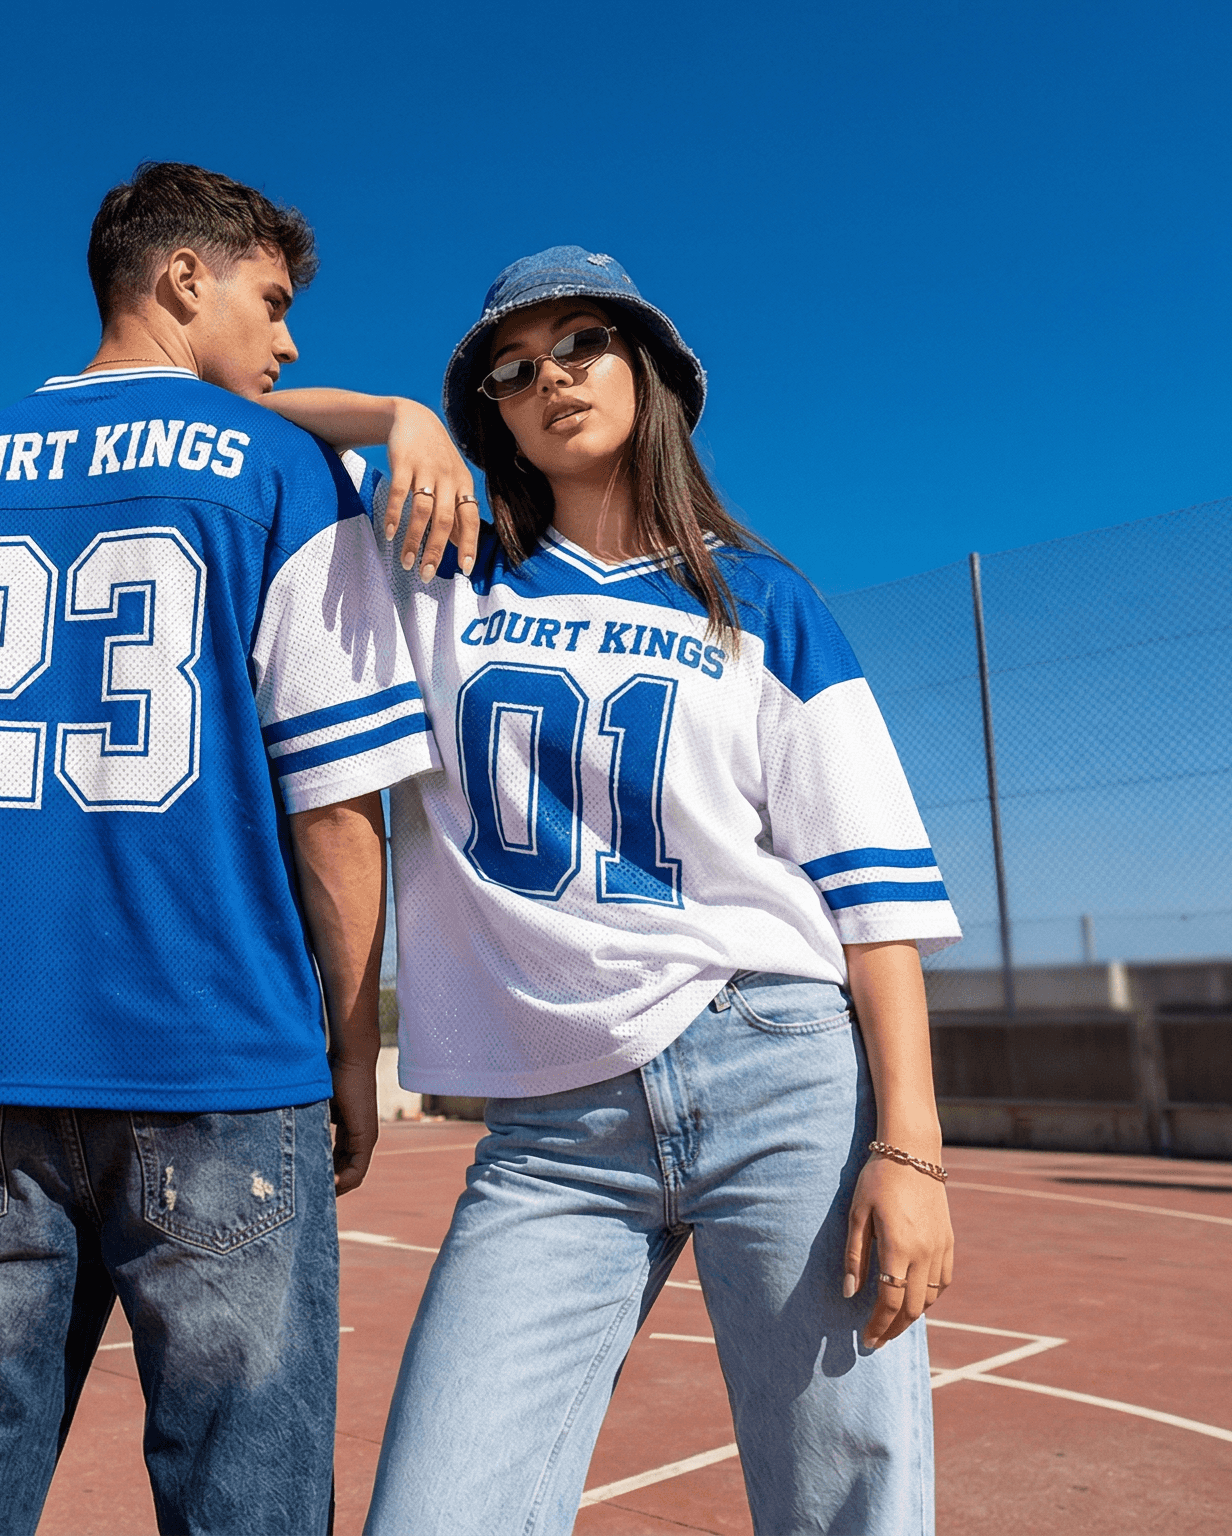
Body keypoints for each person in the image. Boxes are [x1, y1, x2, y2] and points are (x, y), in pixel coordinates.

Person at [259, 246, 959, 1534]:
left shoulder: (765, 605)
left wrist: (909, 1147)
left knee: (842, 1505)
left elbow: (876, 900)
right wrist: (398, 418)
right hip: (552, 1130)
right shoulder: (444, 563)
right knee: (434, 1511)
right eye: (513, 371)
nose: (551, 380)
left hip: (780, 1070)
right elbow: (233, 402)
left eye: (583, 345)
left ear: (651, 372)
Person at [0, 162, 438, 1534]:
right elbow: (337, 811)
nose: (287, 344)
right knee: (244, 1492)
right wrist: (352, 1046)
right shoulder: (284, 469)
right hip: (221, 1061)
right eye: (271, 302)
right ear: (184, 280)